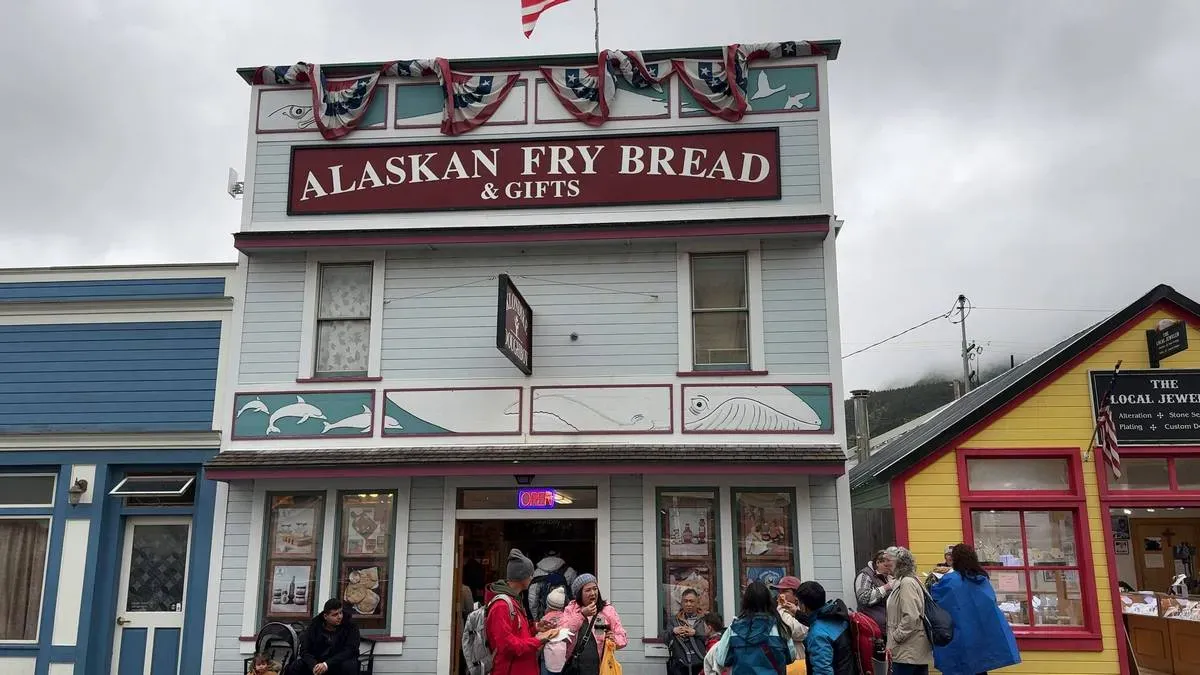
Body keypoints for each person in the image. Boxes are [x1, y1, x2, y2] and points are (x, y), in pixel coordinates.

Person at [930, 544, 1020, 675]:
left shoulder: (950, 580)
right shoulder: (982, 579)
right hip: (980, 640)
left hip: (959, 640)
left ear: (956, 560)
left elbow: (936, 602)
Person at [486, 549, 560, 675]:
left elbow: (518, 634)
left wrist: (536, 627)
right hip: (511, 670)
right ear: (521, 576)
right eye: (530, 574)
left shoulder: (514, 600)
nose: (532, 577)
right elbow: (507, 645)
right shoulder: (501, 606)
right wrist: (539, 641)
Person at [705, 581, 796, 675]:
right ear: (769, 601)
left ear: (745, 602)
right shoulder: (780, 628)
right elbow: (791, 657)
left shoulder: (733, 629)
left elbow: (722, 659)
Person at [560, 574, 628, 675]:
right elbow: (564, 632)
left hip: (599, 668)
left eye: (595, 589)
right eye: (587, 590)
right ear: (579, 594)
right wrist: (582, 614)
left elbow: (622, 638)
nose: (593, 593)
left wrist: (614, 639)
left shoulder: (607, 610)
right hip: (575, 667)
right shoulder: (571, 609)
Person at [886, 548, 933, 675]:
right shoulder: (911, 580)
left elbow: (912, 616)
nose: (885, 564)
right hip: (912, 651)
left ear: (900, 563)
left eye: (888, 560)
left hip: (907, 651)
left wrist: (896, 637)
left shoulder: (907, 582)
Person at [792, 581, 855, 675]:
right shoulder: (837, 615)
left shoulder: (817, 635)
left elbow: (823, 671)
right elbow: (818, 622)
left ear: (803, 606)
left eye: (798, 602)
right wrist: (796, 613)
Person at [287, 599, 360, 675]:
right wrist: (314, 665)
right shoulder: (314, 626)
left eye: (340, 613)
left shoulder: (351, 626)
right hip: (318, 661)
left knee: (349, 666)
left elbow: (350, 650)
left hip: (340, 661)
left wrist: (326, 664)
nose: (339, 617)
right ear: (325, 616)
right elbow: (304, 650)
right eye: (335, 615)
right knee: (296, 666)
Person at [664, 588, 710, 675]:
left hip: (701, 664)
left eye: (691, 601)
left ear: (697, 602)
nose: (688, 604)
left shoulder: (706, 619)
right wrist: (673, 631)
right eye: (686, 601)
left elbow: (714, 639)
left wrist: (696, 633)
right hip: (680, 666)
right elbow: (665, 640)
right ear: (682, 603)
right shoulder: (674, 620)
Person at [854, 550, 895, 633]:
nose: (889, 568)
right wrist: (887, 587)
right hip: (872, 628)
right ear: (878, 562)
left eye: (890, 566)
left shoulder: (887, 576)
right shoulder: (865, 575)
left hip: (888, 627)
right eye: (886, 565)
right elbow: (863, 598)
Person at [771, 576, 809, 660]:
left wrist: (781, 609)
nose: (780, 595)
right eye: (779, 591)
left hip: (798, 661)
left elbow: (797, 632)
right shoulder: (773, 610)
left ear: (796, 596)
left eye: (785, 591)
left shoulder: (804, 611)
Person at [541, 588, 569, 675]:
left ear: (548, 604)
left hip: (547, 657)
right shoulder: (566, 618)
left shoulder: (545, 619)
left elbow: (541, 638)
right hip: (562, 657)